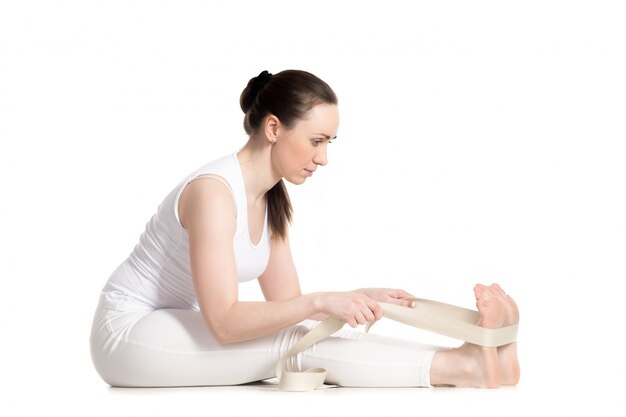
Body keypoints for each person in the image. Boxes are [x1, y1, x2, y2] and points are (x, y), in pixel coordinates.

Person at [90, 69, 520, 389]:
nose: (324, 158)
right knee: (296, 346)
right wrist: (323, 300)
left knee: (301, 337)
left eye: (329, 143)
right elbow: (224, 322)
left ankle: (477, 356)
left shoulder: (271, 196)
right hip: (127, 334)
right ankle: (462, 367)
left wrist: (361, 297)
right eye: (316, 141)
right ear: (273, 128)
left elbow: (288, 306)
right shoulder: (214, 194)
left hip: (172, 324)